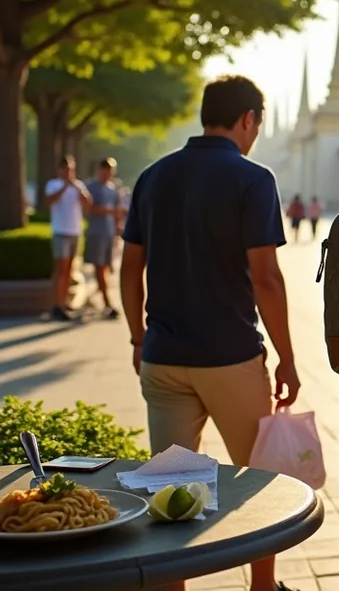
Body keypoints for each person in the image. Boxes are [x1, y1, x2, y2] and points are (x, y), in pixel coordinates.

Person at [119, 75, 300, 591]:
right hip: (232, 359)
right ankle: (262, 587)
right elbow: (265, 277)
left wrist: (137, 338)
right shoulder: (253, 178)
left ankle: (174, 586)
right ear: (248, 119)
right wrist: (286, 357)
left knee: (172, 488)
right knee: (260, 479)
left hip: (164, 356)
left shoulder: (153, 177)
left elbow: (131, 269)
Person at [45, 156, 92, 321]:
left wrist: (78, 189)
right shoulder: (53, 184)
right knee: (61, 269)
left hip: (75, 231)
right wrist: (65, 187)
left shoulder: (78, 185)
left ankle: (64, 302)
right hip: (60, 231)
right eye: (65, 169)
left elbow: (88, 204)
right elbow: (49, 200)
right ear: (60, 170)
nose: (68, 172)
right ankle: (57, 305)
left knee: (70, 270)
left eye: (71, 169)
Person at [84, 158, 122, 319]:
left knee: (106, 267)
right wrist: (111, 212)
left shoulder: (112, 189)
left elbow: (117, 212)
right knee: (99, 267)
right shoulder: (90, 187)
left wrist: (117, 231)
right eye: (106, 170)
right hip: (96, 232)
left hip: (108, 234)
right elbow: (89, 208)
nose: (109, 174)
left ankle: (97, 295)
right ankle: (107, 303)